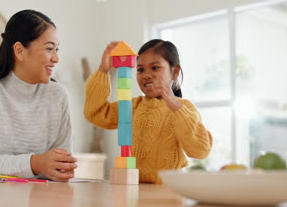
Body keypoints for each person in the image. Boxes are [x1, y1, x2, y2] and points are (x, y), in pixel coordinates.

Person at [0, 9, 77, 182]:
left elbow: (60, 163)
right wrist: (36, 163)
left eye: (57, 49)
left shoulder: (58, 95)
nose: (56, 58)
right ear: (19, 51)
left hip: (35, 189)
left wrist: (60, 168)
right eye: (49, 49)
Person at [84, 39, 213, 184]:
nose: (146, 75)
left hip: (168, 192)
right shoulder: (132, 105)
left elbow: (200, 150)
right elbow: (96, 113)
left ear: (175, 72)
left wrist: (174, 104)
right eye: (140, 70)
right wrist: (103, 69)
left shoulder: (184, 108)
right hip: (134, 188)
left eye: (155, 68)